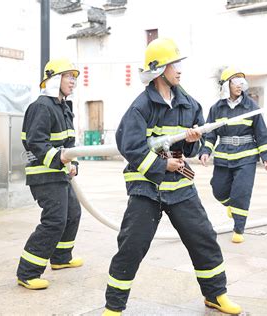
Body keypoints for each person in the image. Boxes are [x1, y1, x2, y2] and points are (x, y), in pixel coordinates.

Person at [102, 38, 242, 316]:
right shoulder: (140, 107)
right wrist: (160, 167)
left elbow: (191, 147)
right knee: (132, 245)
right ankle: (113, 307)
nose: (179, 70)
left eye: (179, 63)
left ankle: (216, 295)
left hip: (180, 186)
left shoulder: (189, 104)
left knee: (203, 237)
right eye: (173, 64)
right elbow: (129, 146)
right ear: (159, 70)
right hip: (146, 188)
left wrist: (192, 141)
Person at [17, 58, 83, 290]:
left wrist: (72, 162)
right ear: (55, 79)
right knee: (54, 220)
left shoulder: (63, 107)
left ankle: (61, 258)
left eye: (74, 77)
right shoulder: (42, 107)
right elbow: (35, 142)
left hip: (59, 173)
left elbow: (69, 142)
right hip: (44, 174)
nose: (73, 81)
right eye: (68, 76)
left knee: (73, 213)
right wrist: (59, 159)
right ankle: (27, 272)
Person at [199, 67, 267, 244]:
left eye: (242, 82)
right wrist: (205, 151)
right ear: (226, 85)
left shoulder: (251, 107)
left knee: (241, 192)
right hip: (224, 155)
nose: (239, 86)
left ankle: (239, 228)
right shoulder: (216, 109)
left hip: (246, 156)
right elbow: (210, 133)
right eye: (235, 82)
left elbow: (261, 132)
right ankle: (230, 206)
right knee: (218, 189)